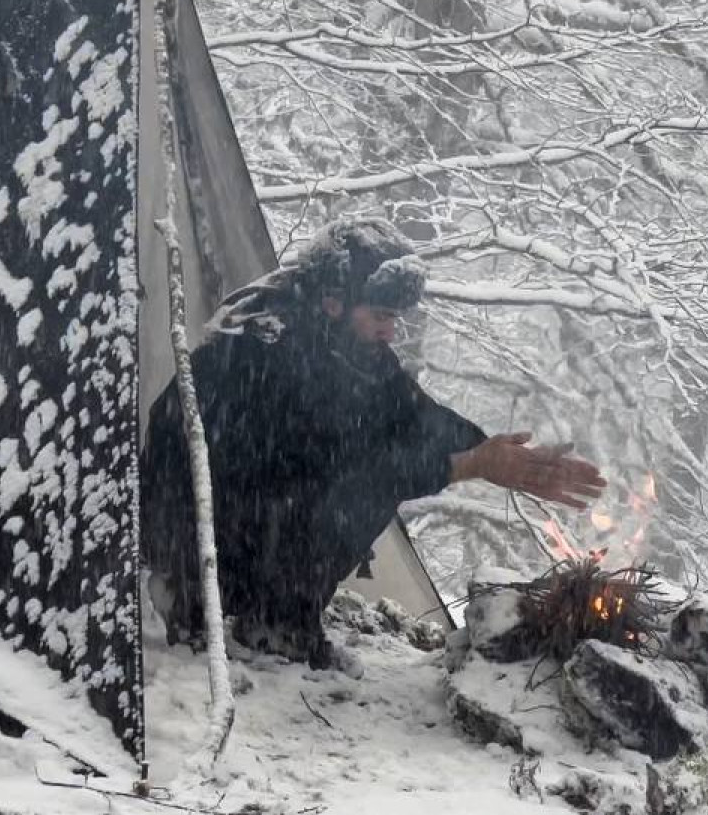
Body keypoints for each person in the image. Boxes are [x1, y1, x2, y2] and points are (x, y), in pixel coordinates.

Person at [142, 217, 606, 668]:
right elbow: (362, 469)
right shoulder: (271, 349)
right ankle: (263, 620)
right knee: (354, 497)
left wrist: (500, 455)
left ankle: (276, 615)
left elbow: (411, 416)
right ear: (332, 302)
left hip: (244, 524)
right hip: (195, 538)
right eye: (381, 316)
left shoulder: (342, 345)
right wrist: (470, 465)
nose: (391, 332)